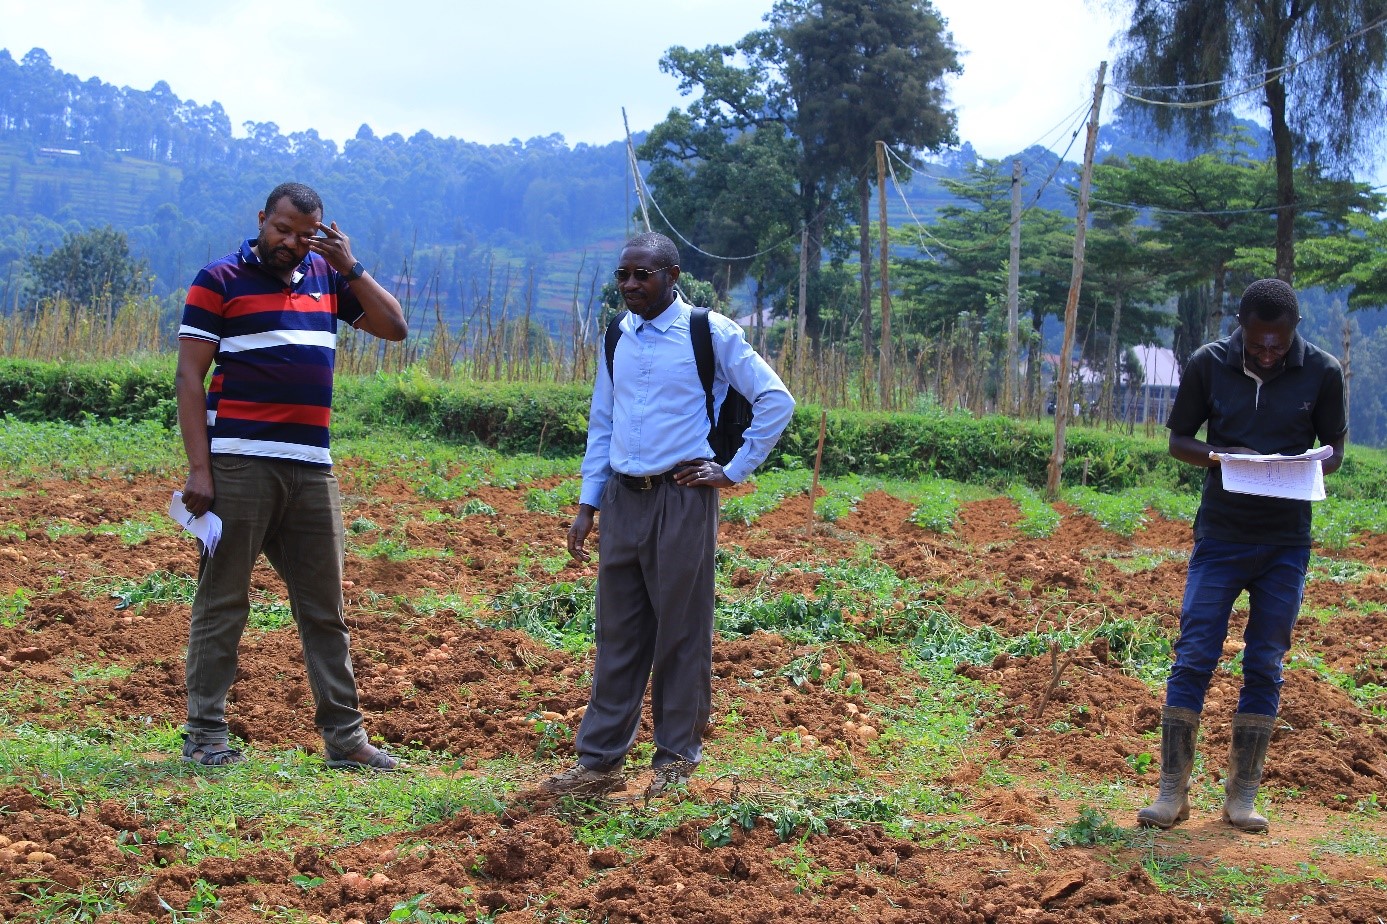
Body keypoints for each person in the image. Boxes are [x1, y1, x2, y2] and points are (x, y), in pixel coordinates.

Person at [543, 231, 794, 798]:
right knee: (618, 632)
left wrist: (732, 470)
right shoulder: (617, 336)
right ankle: (599, 761)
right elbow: (602, 420)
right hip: (623, 498)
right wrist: (588, 503)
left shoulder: (709, 332)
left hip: (682, 497)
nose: (631, 285)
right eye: (623, 276)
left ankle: (676, 759)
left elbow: (776, 399)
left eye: (643, 275)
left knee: (681, 629)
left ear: (672, 275)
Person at [175, 182, 408, 770]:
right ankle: (205, 734)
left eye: (305, 234)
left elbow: (395, 327)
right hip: (238, 466)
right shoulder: (219, 279)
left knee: (324, 607)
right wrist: (200, 469)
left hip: (310, 468)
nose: (291, 242)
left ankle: (346, 739)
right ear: (262, 219)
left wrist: (350, 265)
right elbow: (188, 378)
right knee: (223, 600)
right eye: (282, 229)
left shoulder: (329, 278)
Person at [1138, 278, 1346, 832]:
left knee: (1265, 661)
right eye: (1258, 341)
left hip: (1285, 542)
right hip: (1222, 537)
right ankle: (1171, 792)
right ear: (1242, 327)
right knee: (1195, 651)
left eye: (1278, 341)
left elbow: (1336, 453)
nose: (1268, 351)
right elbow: (1179, 439)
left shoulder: (1323, 372)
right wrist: (1222, 455)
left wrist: (1297, 467)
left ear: (1294, 330)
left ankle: (1241, 796)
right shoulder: (1209, 364)